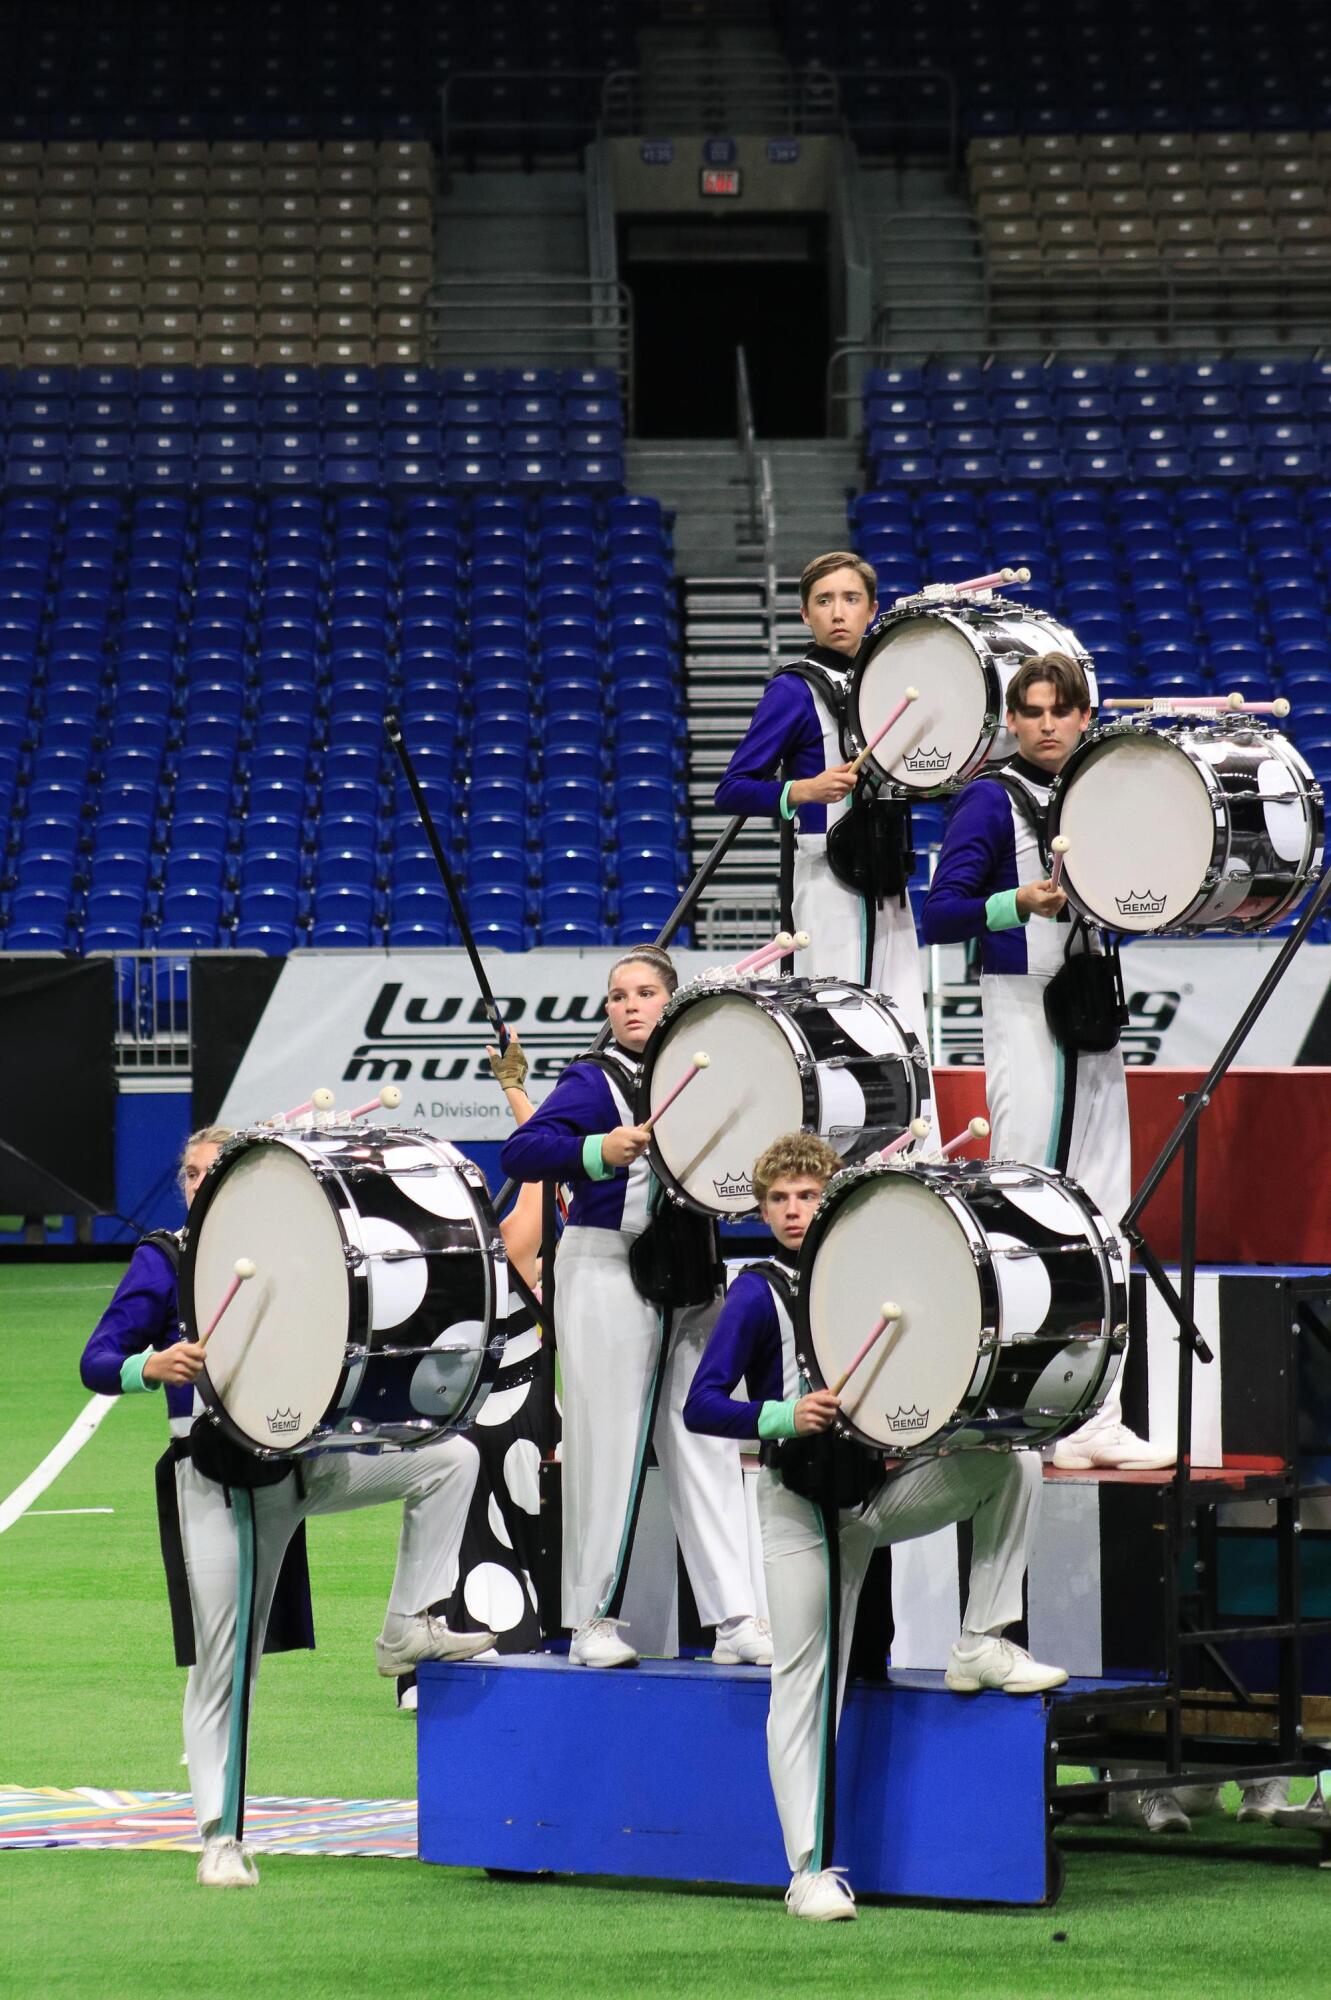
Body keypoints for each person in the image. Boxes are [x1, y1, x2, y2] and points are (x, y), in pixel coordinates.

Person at [79, 1122, 494, 1889]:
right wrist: (150, 1365)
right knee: (224, 1666)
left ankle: (406, 1626)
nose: (202, 1183)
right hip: (217, 1480)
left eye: (217, 1172)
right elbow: (96, 1361)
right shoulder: (165, 1259)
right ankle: (220, 1837)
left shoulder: (299, 1251)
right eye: (193, 1173)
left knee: (450, 1459)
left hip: (309, 1463)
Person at [683, 1132, 1066, 1922]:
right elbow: (701, 1404)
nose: (793, 1210)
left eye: (806, 1195)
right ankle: (807, 1874)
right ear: (761, 1211)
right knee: (804, 1689)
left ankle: (979, 1641)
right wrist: (783, 1415)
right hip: (798, 1507)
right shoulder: (756, 1293)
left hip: (872, 1498)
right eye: (778, 1199)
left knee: (1011, 1464)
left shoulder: (871, 1281)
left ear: (832, 1201)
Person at [919, 650, 1171, 1472]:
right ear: (1010, 721)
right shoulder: (988, 799)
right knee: (1031, 1213)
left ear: (1084, 717)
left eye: (1061, 710)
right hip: (1025, 1009)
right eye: (1031, 711)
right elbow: (938, 915)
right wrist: (1014, 901)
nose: (1047, 724)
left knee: (1104, 1217)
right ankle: (1026, 1410)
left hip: (1089, 1010)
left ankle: (1094, 1415)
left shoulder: (1095, 792)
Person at [500, 946, 767, 1670]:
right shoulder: (594, 1079)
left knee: (707, 1441)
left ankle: (734, 1619)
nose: (629, 1005)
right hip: (607, 1267)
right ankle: (591, 1620)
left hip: (692, 1272)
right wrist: (597, 1151)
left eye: (644, 992)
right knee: (606, 1445)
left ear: (671, 1000)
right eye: (618, 996)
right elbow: (523, 1152)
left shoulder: (705, 1072)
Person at [714, 550, 932, 1065]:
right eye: (824, 601)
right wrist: (801, 791)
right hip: (825, 876)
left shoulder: (892, 684)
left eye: (851, 599)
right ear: (805, 614)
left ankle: (906, 1120)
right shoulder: (792, 689)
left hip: (888, 873)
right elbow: (732, 788)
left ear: (872, 610)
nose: (838, 612)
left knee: (902, 1021)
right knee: (837, 1022)